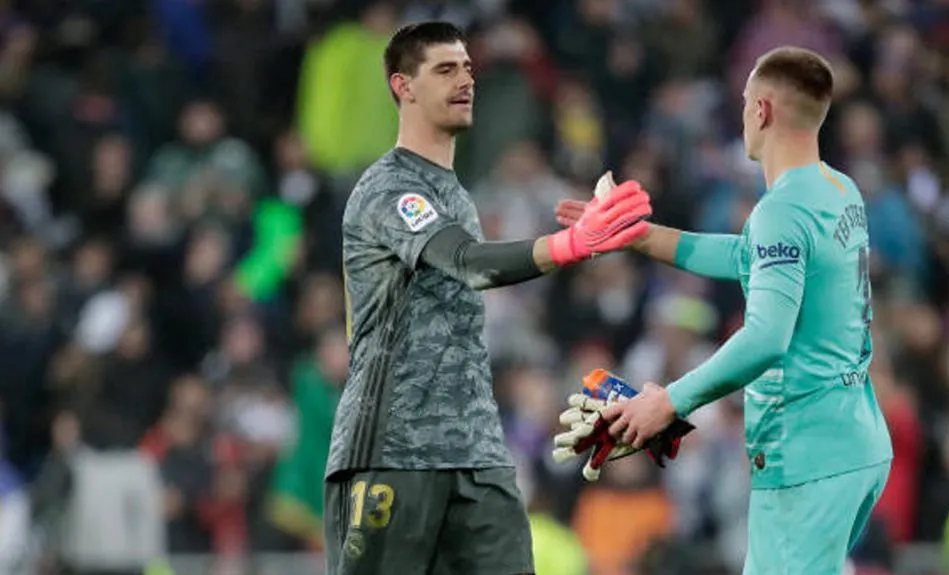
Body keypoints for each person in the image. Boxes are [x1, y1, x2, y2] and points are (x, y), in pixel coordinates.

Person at [326, 21, 652, 575]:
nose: (466, 80)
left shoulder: (454, 194)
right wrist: (571, 245)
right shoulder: (389, 188)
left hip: (477, 454)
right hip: (395, 450)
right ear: (403, 86)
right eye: (446, 70)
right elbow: (469, 265)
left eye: (470, 69)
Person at [559, 46, 894, 574]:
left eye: (744, 103)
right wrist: (639, 237)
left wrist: (670, 401)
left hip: (805, 454)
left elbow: (766, 338)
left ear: (761, 110)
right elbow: (748, 256)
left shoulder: (781, 211)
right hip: (854, 444)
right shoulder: (838, 190)